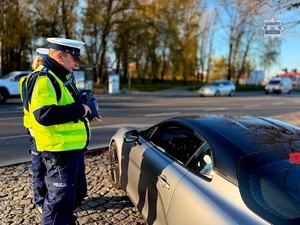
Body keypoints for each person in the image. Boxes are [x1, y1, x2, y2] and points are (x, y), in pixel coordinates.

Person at [20, 37, 101, 225]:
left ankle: (65, 219)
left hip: (71, 148)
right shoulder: (44, 78)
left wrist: (87, 109)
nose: (77, 63)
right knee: (58, 203)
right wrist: (80, 110)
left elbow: (66, 104)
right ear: (59, 55)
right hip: (59, 151)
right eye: (74, 58)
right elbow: (44, 114)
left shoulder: (60, 76)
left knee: (76, 193)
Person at [25, 48, 50, 213]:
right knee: (39, 167)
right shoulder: (34, 79)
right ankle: (40, 201)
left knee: (45, 167)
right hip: (36, 130)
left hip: (41, 130)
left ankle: (46, 198)